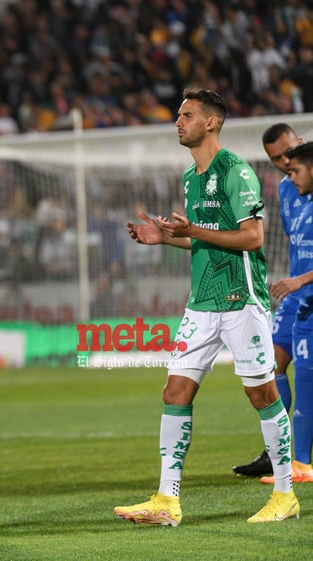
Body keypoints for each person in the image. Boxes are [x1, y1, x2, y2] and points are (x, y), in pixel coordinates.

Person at [116, 88, 298, 525]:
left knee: (261, 393)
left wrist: (193, 228)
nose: (178, 122)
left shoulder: (236, 172)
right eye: (179, 115)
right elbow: (202, 237)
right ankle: (167, 499)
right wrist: (167, 238)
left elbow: (252, 238)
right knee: (174, 392)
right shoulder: (189, 178)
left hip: (242, 299)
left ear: (210, 123)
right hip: (201, 303)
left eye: (187, 115)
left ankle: (285, 494)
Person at [233, 123, 305, 477]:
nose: (283, 161)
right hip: (295, 292)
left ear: (301, 144)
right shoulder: (284, 188)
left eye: (288, 153)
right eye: (275, 158)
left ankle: (301, 456)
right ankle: (277, 451)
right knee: (272, 366)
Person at [258, 141, 313, 485]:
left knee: (307, 375)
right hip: (304, 299)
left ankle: (301, 461)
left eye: (294, 169)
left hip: (304, 292)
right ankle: (299, 460)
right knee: (300, 371)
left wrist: (299, 281)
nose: (287, 175)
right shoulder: (296, 199)